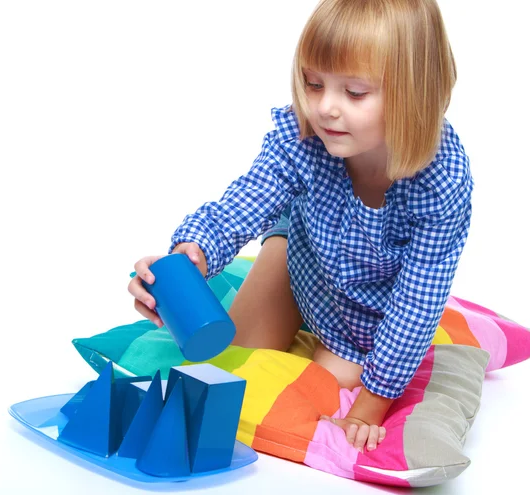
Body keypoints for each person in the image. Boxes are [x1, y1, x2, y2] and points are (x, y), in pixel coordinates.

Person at [128, 0, 472, 454]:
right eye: (313, 84)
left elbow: (416, 302)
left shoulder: (441, 180)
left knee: (335, 379)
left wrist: (373, 401)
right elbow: (245, 198)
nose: (325, 107)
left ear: (415, 93)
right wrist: (193, 254)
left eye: (354, 93)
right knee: (229, 364)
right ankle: (279, 238)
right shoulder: (304, 133)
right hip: (304, 255)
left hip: (362, 311)